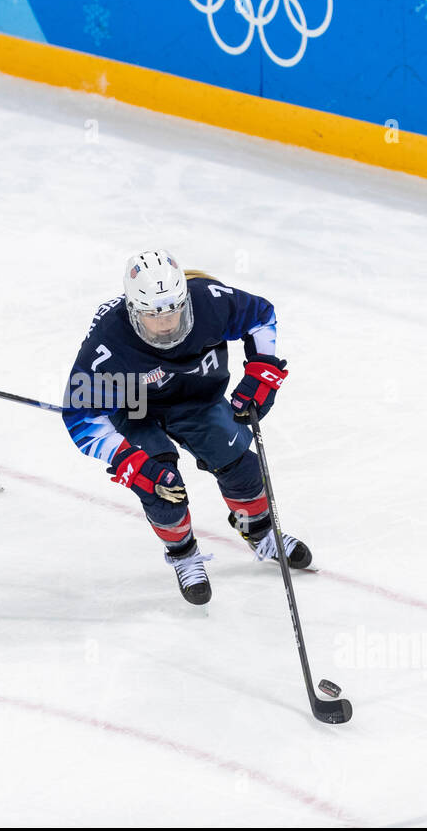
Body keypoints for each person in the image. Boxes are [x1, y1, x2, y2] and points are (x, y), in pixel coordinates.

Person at [63, 250, 312, 605]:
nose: (165, 324)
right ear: (134, 310)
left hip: (196, 399)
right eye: (152, 315)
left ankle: (259, 534)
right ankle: (183, 554)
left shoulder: (208, 302)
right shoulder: (107, 343)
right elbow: (81, 417)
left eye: (173, 310)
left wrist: (263, 369)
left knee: (243, 469)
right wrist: (127, 460)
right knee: (161, 486)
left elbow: (261, 316)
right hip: (135, 409)